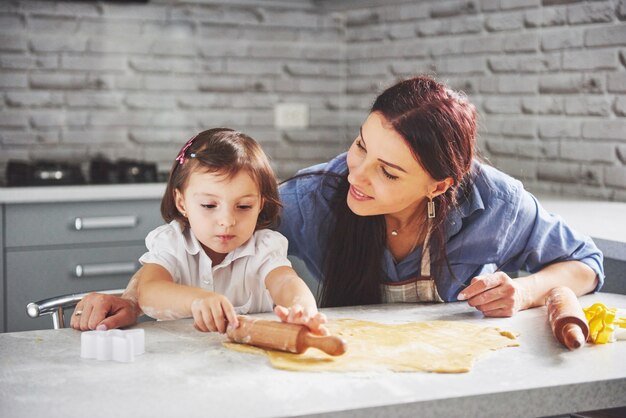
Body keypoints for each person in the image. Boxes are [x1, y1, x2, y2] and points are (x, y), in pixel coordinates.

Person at [72, 75, 603, 330]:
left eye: (388, 171)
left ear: (440, 185)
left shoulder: (498, 202)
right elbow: (218, 237)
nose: (358, 174)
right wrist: (136, 297)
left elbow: (585, 264)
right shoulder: (313, 198)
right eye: (360, 146)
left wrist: (528, 290)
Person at [71, 128, 327, 335]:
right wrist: (198, 301)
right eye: (208, 205)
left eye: (244, 206)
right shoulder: (173, 243)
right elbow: (148, 291)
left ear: (261, 204)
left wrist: (301, 309)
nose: (226, 221)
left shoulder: (264, 248)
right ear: (182, 202)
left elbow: (285, 282)